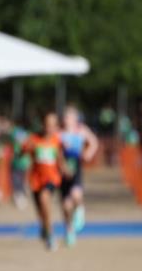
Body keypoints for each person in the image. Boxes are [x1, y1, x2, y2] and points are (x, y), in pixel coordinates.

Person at [24, 111, 68, 251]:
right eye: (47, 124)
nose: (49, 128)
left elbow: (60, 160)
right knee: (40, 211)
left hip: (51, 178)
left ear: (56, 127)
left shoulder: (57, 141)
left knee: (45, 200)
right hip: (36, 179)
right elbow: (21, 152)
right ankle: (45, 227)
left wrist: (65, 170)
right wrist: (27, 149)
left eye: (52, 125)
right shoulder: (34, 139)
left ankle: (50, 235)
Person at [60, 105, 99, 246]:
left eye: (69, 116)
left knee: (76, 195)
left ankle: (80, 210)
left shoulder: (81, 130)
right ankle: (69, 230)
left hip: (76, 167)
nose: (66, 119)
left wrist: (88, 153)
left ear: (75, 118)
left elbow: (94, 142)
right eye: (65, 116)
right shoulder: (60, 133)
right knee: (66, 206)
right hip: (63, 170)